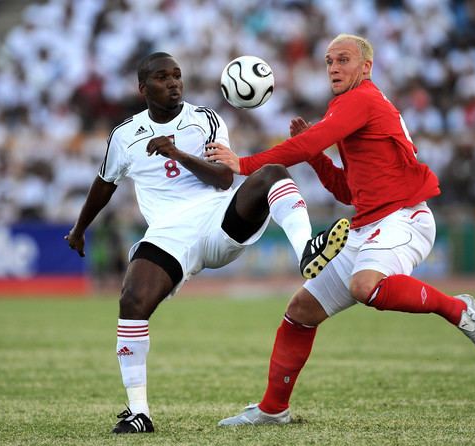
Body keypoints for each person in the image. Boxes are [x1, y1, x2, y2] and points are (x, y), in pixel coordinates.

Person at [206, 34, 475, 426]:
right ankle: (274, 409)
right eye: (328, 61)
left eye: (343, 60)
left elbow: (316, 139)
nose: (333, 68)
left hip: (404, 216)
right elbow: (349, 190)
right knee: (300, 311)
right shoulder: (350, 106)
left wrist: (243, 163)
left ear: (366, 67)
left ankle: (458, 309)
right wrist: (314, 158)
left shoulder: (362, 100)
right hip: (369, 222)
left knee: (366, 287)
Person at [65, 52, 350, 434]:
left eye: (177, 76)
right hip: (168, 233)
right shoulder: (124, 136)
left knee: (272, 173)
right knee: (131, 301)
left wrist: (177, 153)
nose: (173, 83)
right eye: (163, 77)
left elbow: (222, 179)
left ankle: (305, 251)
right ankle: (139, 413)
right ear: (142, 88)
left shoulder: (205, 120)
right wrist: (80, 228)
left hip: (216, 218)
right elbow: (104, 183)